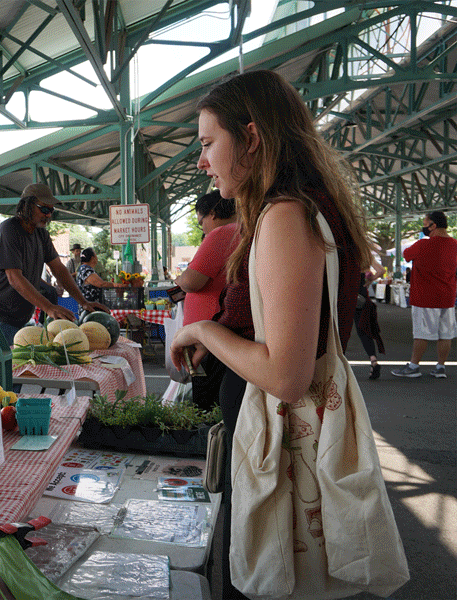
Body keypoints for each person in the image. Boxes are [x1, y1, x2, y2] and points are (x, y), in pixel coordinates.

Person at [169, 70, 371, 600]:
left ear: (252, 137)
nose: (202, 161)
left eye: (208, 143)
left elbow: (285, 375)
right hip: (290, 437)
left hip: (281, 441)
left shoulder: (284, 215)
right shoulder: (307, 205)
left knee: (265, 577)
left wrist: (203, 329)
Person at [0, 183, 109, 343]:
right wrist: (49, 307)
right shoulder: (9, 230)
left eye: (51, 210)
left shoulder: (41, 234)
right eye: (44, 209)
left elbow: (59, 269)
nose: (48, 215)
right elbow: (14, 278)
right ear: (27, 205)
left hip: (23, 319)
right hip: (2, 319)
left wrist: (83, 302)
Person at [173, 189, 237, 410]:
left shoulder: (222, 233)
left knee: (207, 407)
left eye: (202, 223)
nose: (203, 229)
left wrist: (180, 279)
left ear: (212, 214)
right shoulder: (242, 231)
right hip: (222, 337)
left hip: (212, 340)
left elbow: (191, 281)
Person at [391, 211, 457, 378]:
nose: (424, 227)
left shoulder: (422, 244)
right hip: (448, 297)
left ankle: (413, 367)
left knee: (421, 334)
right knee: (446, 335)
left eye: (425, 224)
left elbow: (406, 255)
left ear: (433, 226)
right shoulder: (454, 244)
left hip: (424, 297)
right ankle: (440, 367)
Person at [355, 255, 386, 379]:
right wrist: (369, 280)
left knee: (340, 330)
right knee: (363, 329)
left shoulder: (343, 250)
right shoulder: (364, 253)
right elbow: (381, 270)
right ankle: (373, 360)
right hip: (361, 296)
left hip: (345, 293)